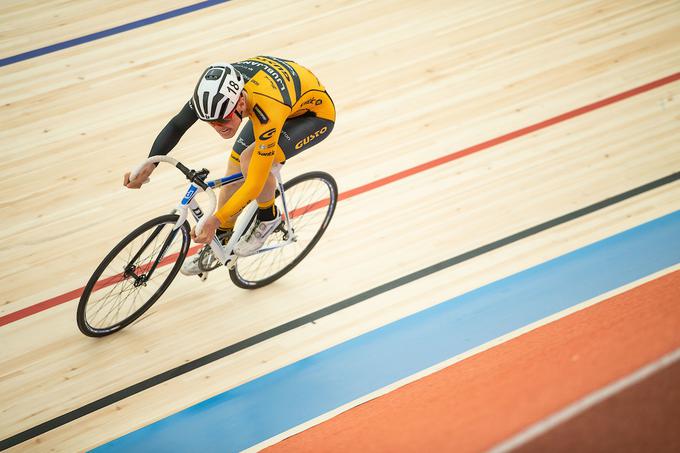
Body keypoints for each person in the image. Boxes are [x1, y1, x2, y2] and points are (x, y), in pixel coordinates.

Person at [123, 56, 335, 276]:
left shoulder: (268, 109)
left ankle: (268, 217)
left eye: (222, 120)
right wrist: (150, 163)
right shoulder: (213, 94)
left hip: (311, 116)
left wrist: (215, 219)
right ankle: (223, 238)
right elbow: (177, 125)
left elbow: (254, 183)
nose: (218, 127)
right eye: (211, 122)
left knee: (250, 162)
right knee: (235, 165)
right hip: (276, 94)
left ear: (240, 104)